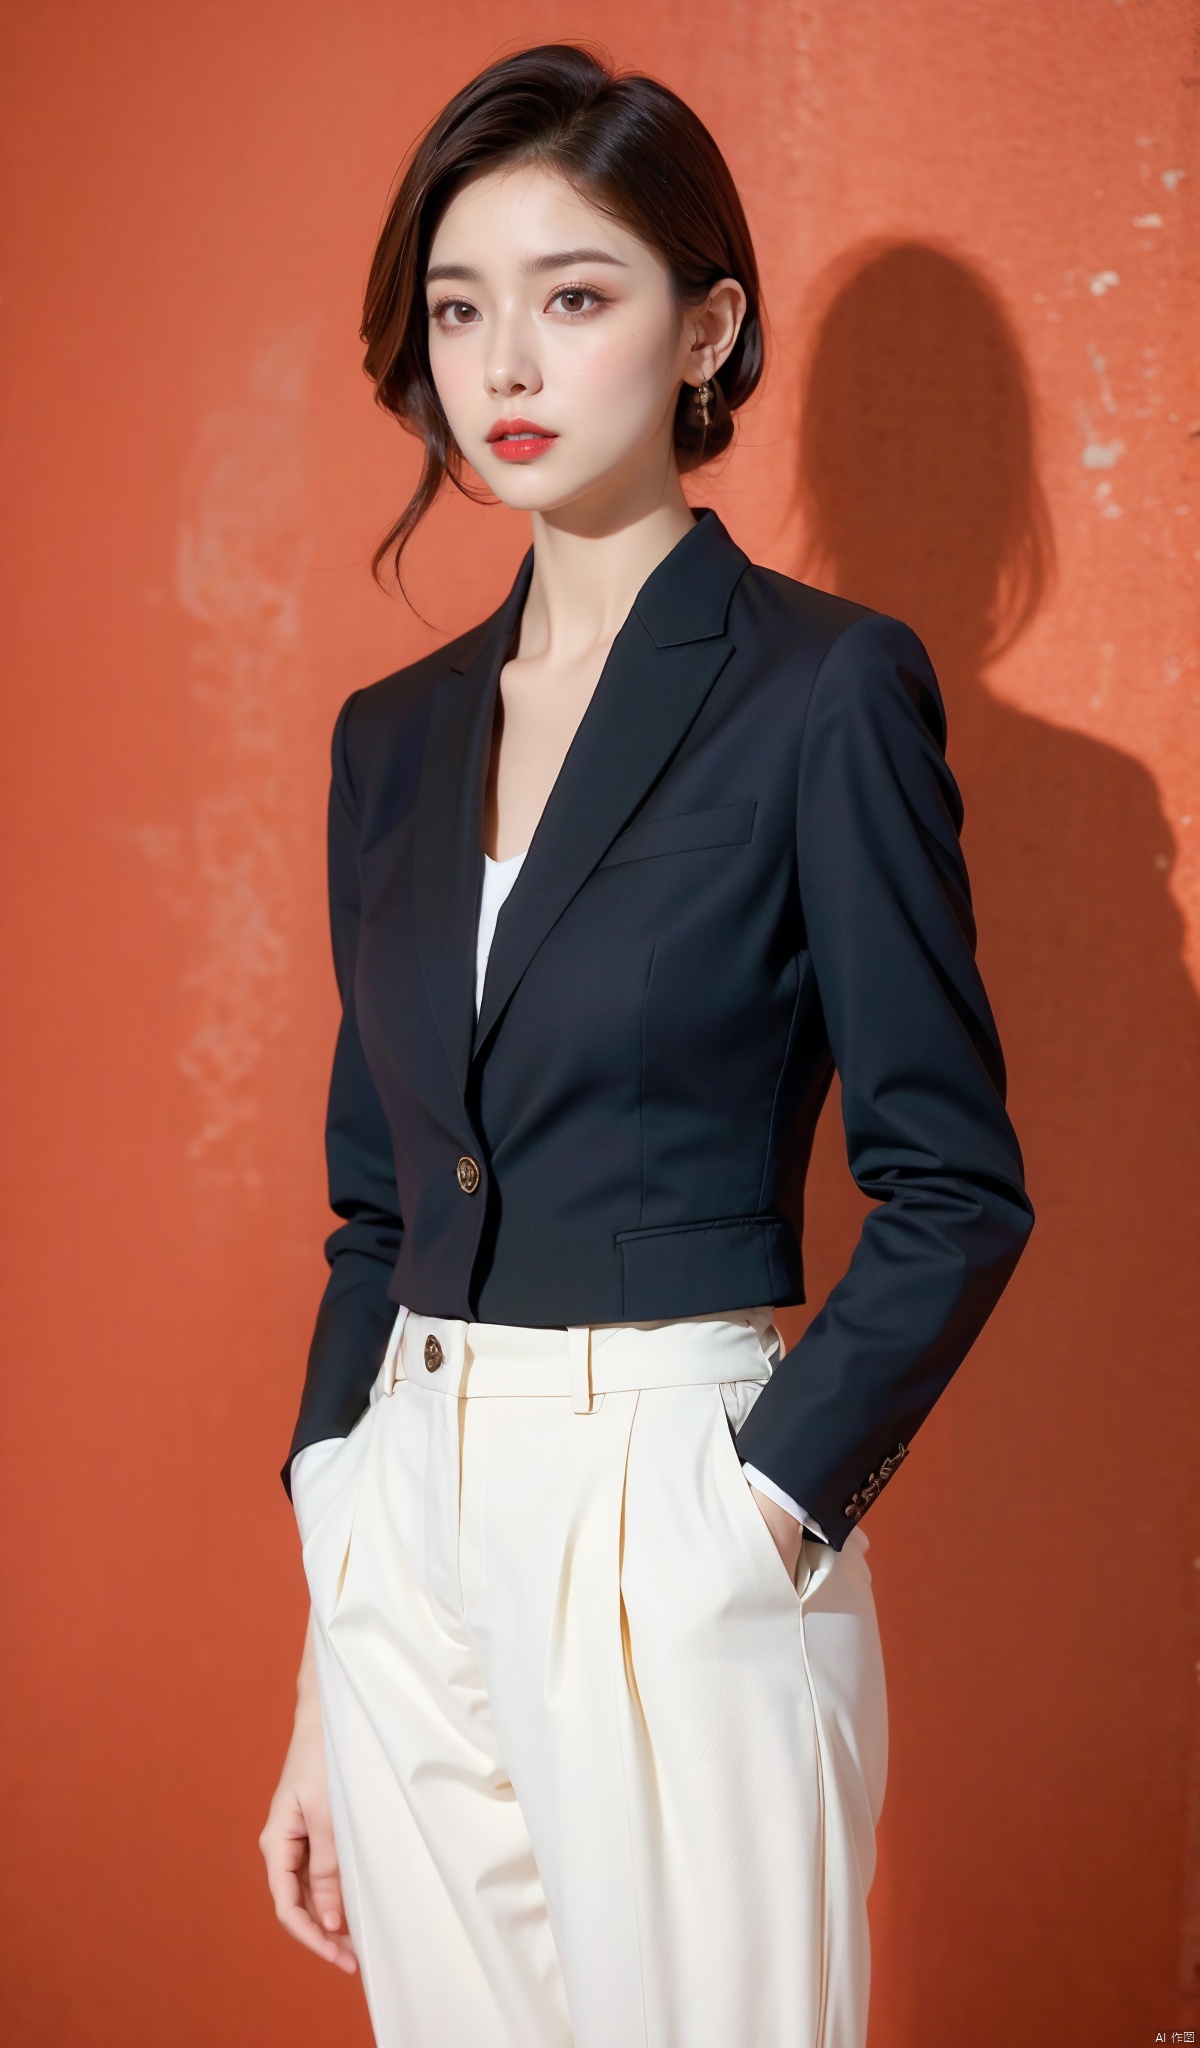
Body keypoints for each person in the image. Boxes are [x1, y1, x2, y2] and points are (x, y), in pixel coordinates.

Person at [258, 42, 1034, 2048]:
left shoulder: (823, 694)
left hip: (676, 1497)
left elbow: (953, 1187)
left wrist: (758, 1513)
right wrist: (335, 1597)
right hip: (403, 1517)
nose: (504, 357)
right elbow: (376, 1205)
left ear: (706, 327)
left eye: (573, 295)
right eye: (458, 305)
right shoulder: (391, 738)